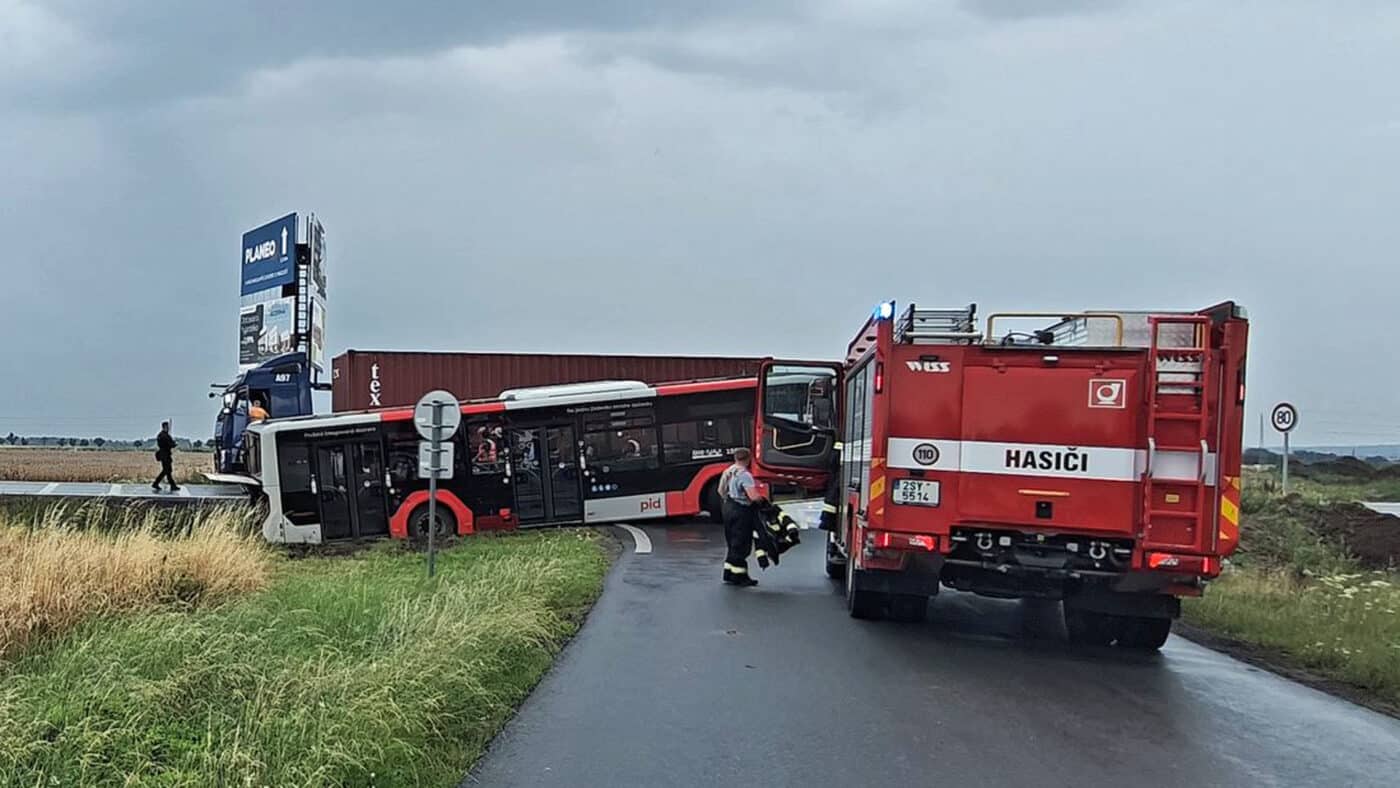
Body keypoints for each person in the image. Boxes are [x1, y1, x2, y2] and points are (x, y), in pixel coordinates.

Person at [721, 447, 765, 587]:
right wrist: (761, 500)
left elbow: (720, 490)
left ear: (735, 458)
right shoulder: (744, 475)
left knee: (732, 543)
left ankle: (728, 573)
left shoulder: (728, 471)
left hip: (729, 508)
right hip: (741, 511)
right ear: (748, 459)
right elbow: (752, 496)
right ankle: (740, 577)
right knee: (741, 545)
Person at [152, 421, 179, 493]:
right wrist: (174, 443)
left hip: (164, 455)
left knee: (167, 471)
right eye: (167, 427)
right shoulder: (164, 436)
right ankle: (157, 483)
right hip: (165, 455)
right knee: (167, 470)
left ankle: (170, 485)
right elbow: (169, 444)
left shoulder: (161, 435)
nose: (168, 428)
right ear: (164, 427)